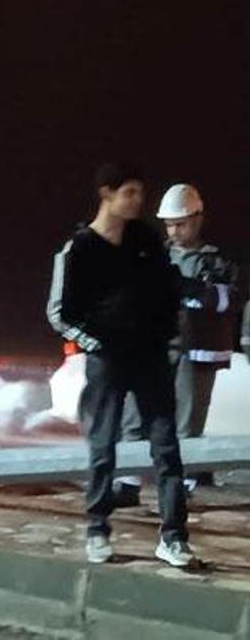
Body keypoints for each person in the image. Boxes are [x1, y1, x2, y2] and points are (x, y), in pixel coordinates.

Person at [46, 162, 193, 567]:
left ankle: (174, 537)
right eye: (130, 193)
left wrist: (162, 336)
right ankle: (97, 529)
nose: (137, 202)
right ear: (107, 194)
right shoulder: (80, 249)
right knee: (103, 448)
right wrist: (98, 345)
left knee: (167, 449)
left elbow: (167, 291)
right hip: (108, 362)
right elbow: (59, 313)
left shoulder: (145, 239)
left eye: (140, 194)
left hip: (150, 358)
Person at [114, 184, 241, 502]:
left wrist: (198, 292)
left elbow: (232, 301)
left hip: (195, 352)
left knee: (186, 422)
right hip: (155, 346)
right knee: (135, 414)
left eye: (180, 223)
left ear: (198, 219)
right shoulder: (155, 256)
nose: (173, 230)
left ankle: (179, 490)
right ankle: (128, 483)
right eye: (169, 224)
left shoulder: (217, 261)